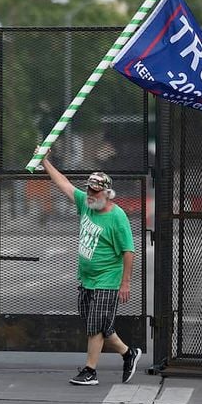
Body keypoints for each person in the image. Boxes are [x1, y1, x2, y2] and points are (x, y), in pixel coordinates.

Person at [39, 147, 140, 386]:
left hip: (108, 278)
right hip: (86, 278)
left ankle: (90, 370)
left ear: (107, 193)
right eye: (89, 190)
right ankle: (128, 353)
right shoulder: (85, 204)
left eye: (96, 192)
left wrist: (125, 282)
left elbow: (129, 251)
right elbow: (63, 184)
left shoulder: (117, 217)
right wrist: (45, 162)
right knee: (99, 325)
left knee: (96, 326)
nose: (91, 195)